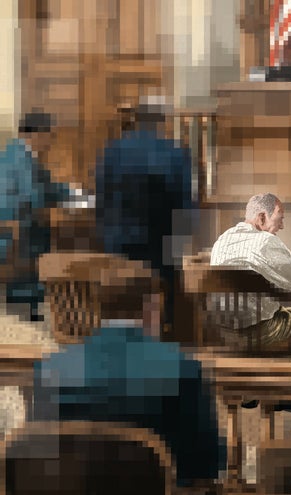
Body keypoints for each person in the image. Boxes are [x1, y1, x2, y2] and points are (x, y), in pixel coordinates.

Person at [32, 292, 226, 488]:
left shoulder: (51, 367)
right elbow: (205, 466)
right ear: (151, 307)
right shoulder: (183, 368)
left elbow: (39, 450)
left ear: (97, 310)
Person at [96, 96, 194, 328]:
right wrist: (183, 247)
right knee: (164, 287)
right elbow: (183, 206)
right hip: (159, 246)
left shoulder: (112, 151)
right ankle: (162, 329)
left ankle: (118, 328)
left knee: (121, 292)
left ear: (137, 119)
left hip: (118, 243)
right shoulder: (175, 154)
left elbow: (102, 198)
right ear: (162, 121)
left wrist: (105, 236)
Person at [209, 193, 291, 351]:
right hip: (253, 334)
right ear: (262, 217)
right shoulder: (265, 242)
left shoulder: (222, 240)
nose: (282, 226)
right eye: (279, 217)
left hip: (220, 332)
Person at [0, 112, 81, 321]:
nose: (51, 142)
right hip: (15, 230)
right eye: (51, 136)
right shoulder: (20, 158)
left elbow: (47, 187)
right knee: (40, 241)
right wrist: (67, 200)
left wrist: (72, 193)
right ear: (36, 135)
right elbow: (33, 195)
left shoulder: (22, 155)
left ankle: (29, 303)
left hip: (20, 225)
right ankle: (24, 307)